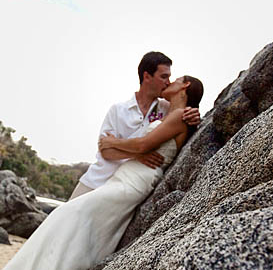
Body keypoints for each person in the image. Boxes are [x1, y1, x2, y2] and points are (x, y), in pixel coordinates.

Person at [0, 75, 204, 270]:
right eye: (164, 76)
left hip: (134, 182)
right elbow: (140, 145)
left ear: (185, 86)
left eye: (174, 79)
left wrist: (113, 142)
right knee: (79, 228)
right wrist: (125, 148)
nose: (169, 82)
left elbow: (143, 146)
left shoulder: (179, 115)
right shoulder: (171, 111)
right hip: (122, 178)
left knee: (69, 214)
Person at [69, 51, 200, 201]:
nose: (168, 82)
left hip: (128, 188)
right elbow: (106, 151)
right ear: (147, 76)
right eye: (164, 77)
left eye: (170, 77)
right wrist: (138, 155)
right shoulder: (118, 110)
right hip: (96, 182)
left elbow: (183, 114)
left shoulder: (167, 110)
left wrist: (195, 114)